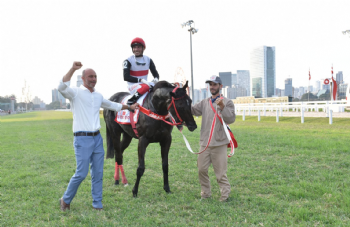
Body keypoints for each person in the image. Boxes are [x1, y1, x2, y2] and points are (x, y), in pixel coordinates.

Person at [57, 61, 139, 211]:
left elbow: (113, 105)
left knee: (98, 173)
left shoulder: (98, 95)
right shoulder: (75, 93)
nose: (93, 79)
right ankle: (65, 199)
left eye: (95, 76)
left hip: (97, 139)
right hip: (82, 139)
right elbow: (61, 87)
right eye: (90, 76)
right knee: (81, 173)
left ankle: (97, 204)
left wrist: (130, 107)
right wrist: (72, 69)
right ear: (83, 78)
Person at [191, 76, 236, 202]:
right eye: (210, 84)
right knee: (201, 170)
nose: (212, 87)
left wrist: (222, 107)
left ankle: (225, 195)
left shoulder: (227, 102)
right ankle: (205, 193)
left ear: (220, 86)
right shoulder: (204, 102)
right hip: (205, 143)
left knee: (220, 173)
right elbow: (192, 110)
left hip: (219, 143)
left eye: (215, 84)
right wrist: (183, 99)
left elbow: (231, 119)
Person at [123, 37, 160, 105]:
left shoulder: (148, 59)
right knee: (145, 87)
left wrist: (156, 79)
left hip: (145, 84)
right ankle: (131, 101)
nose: (136, 49)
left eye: (138, 47)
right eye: (134, 47)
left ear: (143, 48)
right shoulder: (128, 60)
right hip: (133, 85)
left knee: (160, 85)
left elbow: (156, 74)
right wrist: (140, 80)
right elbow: (126, 77)